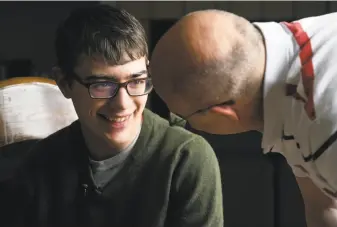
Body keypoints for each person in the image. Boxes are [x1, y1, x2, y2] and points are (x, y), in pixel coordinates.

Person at [0, 5, 223, 227]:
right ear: (64, 82)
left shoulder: (184, 160)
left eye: (136, 81)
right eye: (102, 85)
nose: (123, 104)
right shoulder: (39, 166)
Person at [150, 9, 337, 227]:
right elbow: (325, 206)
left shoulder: (325, 130)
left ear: (223, 113)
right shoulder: (288, 54)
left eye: (182, 117)